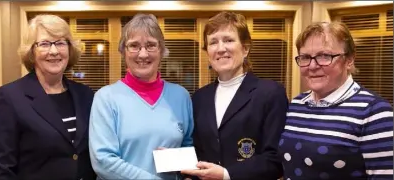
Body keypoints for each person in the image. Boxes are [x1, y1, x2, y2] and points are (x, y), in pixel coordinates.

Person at [0, 14, 96, 179]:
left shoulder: (85, 95)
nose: (54, 51)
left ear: (69, 49)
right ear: (31, 51)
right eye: (44, 44)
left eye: (60, 43)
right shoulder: (10, 97)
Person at [279, 22, 393, 180]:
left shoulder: (374, 112)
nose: (312, 66)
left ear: (349, 60)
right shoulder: (297, 104)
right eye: (305, 57)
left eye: (324, 56)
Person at [181, 11, 288, 180]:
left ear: (245, 48)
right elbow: (198, 153)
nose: (221, 48)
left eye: (228, 40)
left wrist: (226, 175)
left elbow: (276, 159)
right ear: (207, 52)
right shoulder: (199, 98)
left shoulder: (270, 93)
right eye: (213, 42)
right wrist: (172, 159)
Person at [88, 13, 194, 180]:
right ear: (123, 51)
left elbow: (188, 147)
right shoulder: (106, 98)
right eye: (134, 46)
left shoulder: (181, 96)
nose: (143, 54)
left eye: (151, 45)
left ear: (161, 50)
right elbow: (103, 161)